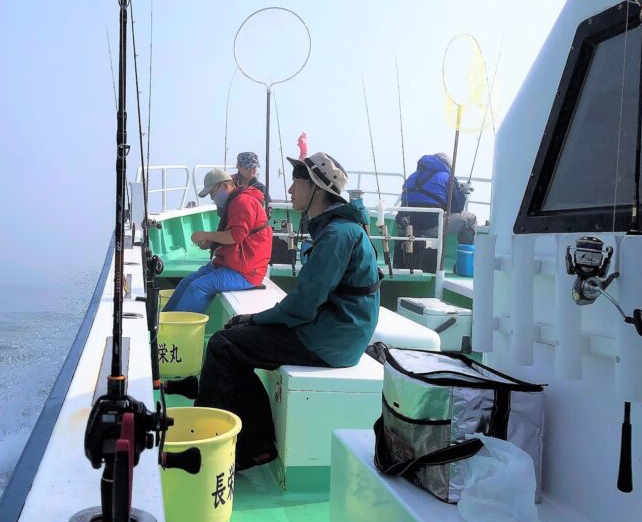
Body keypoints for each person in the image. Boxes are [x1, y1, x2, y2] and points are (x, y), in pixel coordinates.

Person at [195, 152, 381, 470]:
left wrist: (253, 318)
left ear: (318, 190)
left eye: (298, 182)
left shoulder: (336, 235)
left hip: (331, 339)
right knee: (233, 341)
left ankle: (213, 450)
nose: (291, 190)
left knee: (224, 344)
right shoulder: (339, 228)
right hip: (334, 330)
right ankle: (256, 444)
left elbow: (301, 307)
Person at [163, 168, 272, 314]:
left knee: (198, 287)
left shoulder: (242, 201)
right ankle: (163, 325)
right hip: (231, 264)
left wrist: (206, 234)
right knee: (186, 283)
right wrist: (209, 242)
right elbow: (231, 236)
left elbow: (235, 236)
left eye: (212, 193)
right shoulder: (235, 201)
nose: (212, 198)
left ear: (224, 186)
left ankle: (179, 330)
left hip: (247, 272)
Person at [397, 153, 476, 245]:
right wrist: (460, 192)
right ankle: (465, 258)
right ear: (447, 165)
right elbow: (458, 207)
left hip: (406, 226)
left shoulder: (412, 176)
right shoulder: (447, 177)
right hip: (430, 226)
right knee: (471, 219)